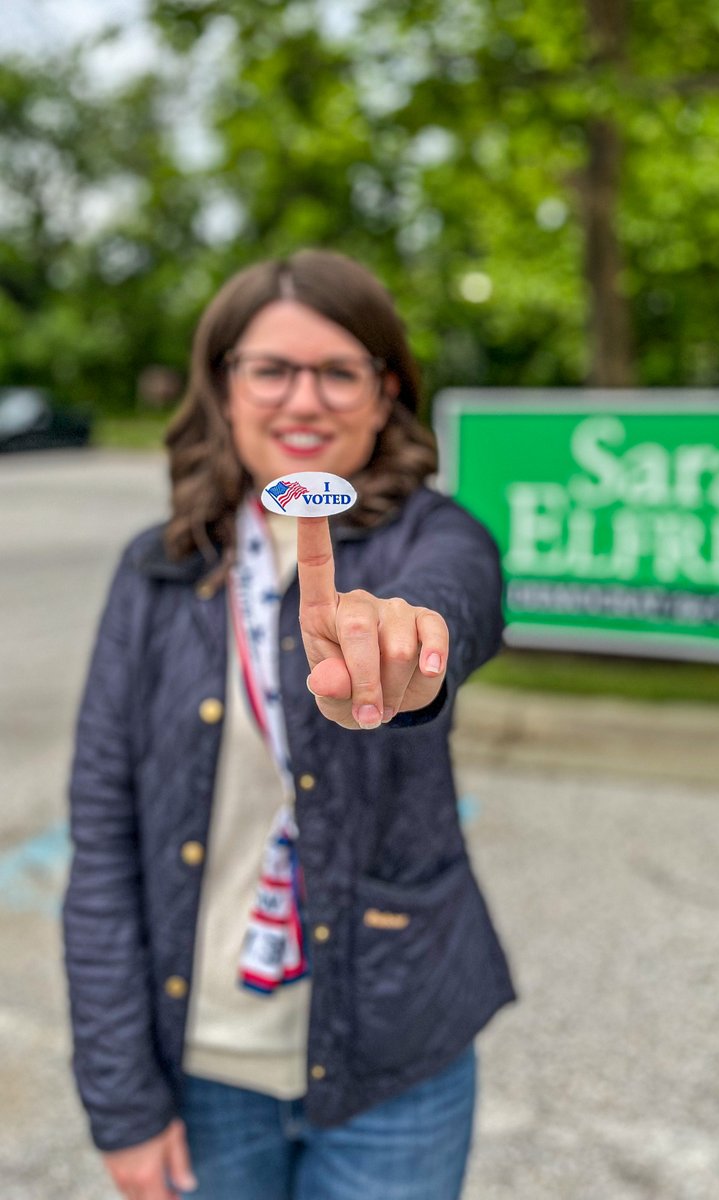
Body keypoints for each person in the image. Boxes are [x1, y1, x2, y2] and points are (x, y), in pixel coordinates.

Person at [64, 249, 515, 1200]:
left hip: (397, 1054)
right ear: (224, 385)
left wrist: (407, 647)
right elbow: (102, 839)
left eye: (339, 370)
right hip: (201, 1061)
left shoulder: (434, 538)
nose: (303, 399)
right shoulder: (155, 572)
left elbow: (457, 600)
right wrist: (121, 1103)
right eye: (270, 368)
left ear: (386, 390)